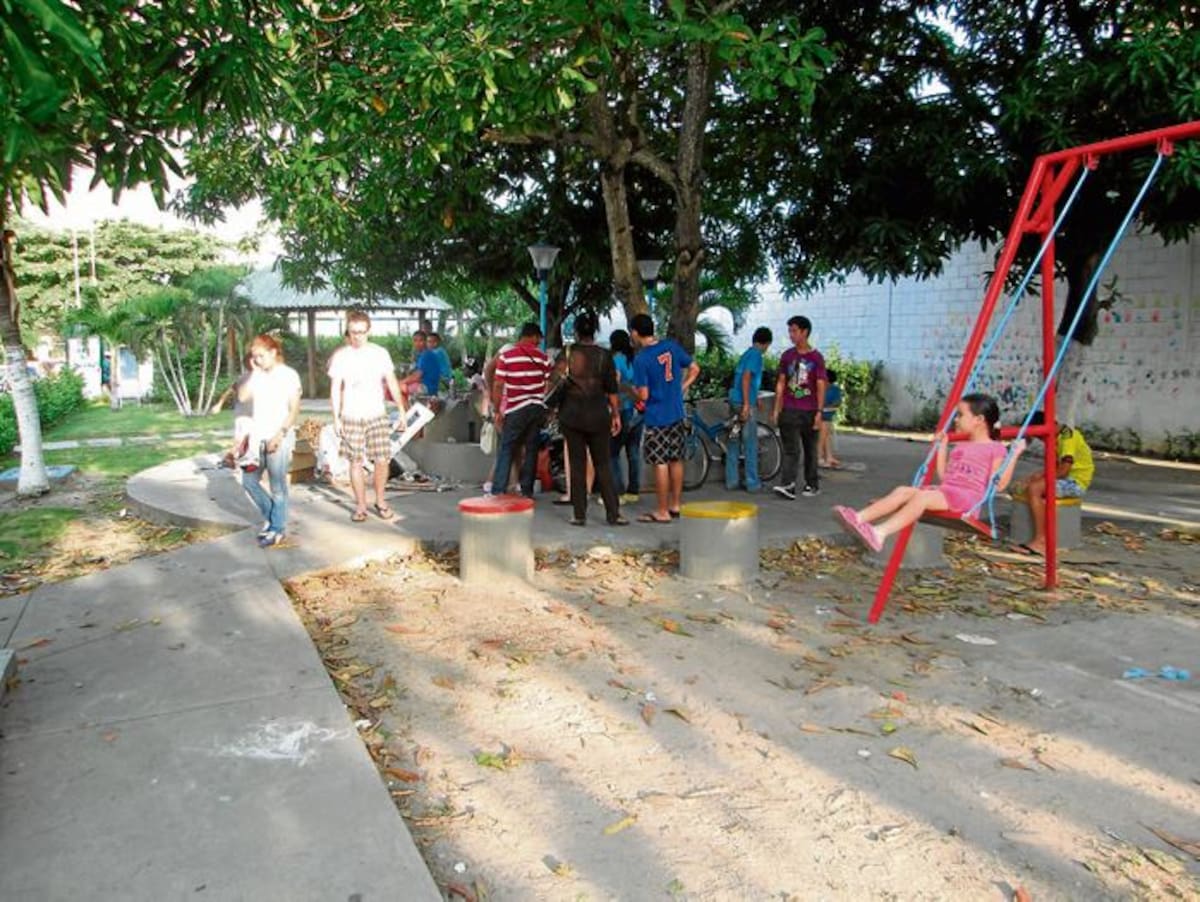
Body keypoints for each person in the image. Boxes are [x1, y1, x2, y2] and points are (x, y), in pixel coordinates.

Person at [834, 393, 1026, 552]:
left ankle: (880, 533)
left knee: (923, 497)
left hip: (967, 500)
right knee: (904, 491)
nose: (956, 420)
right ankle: (858, 518)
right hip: (948, 492)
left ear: (979, 420)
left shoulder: (996, 449)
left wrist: (1014, 455)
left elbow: (999, 485)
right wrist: (942, 447)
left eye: (960, 415)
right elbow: (945, 477)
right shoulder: (961, 446)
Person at [328, 310, 406, 523]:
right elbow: (335, 388)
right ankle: (361, 505)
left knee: (382, 459)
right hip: (351, 415)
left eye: (361, 332)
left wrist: (401, 411)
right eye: (353, 332)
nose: (357, 337)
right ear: (348, 331)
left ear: (368, 331)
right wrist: (336, 418)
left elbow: (391, 381)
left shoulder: (379, 353)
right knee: (355, 462)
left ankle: (380, 501)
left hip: (376, 414)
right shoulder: (341, 356)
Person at [555, 312, 625, 526]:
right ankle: (613, 514)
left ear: (575, 331)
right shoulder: (605, 356)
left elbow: (553, 383)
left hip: (571, 416)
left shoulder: (566, 353)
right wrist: (616, 414)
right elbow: (612, 390)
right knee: (602, 464)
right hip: (598, 416)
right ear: (594, 331)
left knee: (577, 464)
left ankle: (579, 514)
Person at [629, 313, 700, 524]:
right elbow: (695, 368)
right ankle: (675, 504)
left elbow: (643, 395)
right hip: (677, 412)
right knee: (675, 459)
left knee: (660, 462)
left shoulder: (641, 359)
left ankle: (662, 510)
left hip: (657, 416)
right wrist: (681, 388)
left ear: (635, 332)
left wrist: (630, 390)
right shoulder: (671, 347)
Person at [238, 334, 302, 547]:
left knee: (277, 485)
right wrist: (255, 373)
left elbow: (294, 410)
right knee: (248, 481)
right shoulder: (257, 376)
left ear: (274, 352)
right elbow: (242, 398)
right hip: (257, 438)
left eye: (261, 356)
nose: (257, 360)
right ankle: (275, 520)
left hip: (279, 436)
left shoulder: (288, 375)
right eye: (254, 357)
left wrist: (280, 434)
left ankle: (276, 529)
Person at [1015, 412, 1094, 556]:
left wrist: (1038, 482)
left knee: (1035, 489)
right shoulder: (1055, 438)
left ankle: (1041, 540)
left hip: (1075, 482)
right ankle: (1035, 534)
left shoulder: (1067, 437)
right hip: (1064, 479)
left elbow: (1063, 470)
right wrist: (1034, 476)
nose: (1041, 439)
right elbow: (1052, 468)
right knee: (1027, 484)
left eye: (1039, 436)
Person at [490, 322, 551, 497]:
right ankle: (527, 491)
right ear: (532, 336)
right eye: (538, 338)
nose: (539, 341)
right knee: (531, 449)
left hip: (515, 408)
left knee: (507, 448)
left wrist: (496, 410)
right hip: (536, 408)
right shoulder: (542, 357)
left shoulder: (507, 356)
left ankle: (498, 490)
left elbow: (498, 384)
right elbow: (548, 383)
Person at [771, 315, 826, 500]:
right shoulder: (787, 356)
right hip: (789, 409)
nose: (791, 334)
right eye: (790, 331)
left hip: (810, 410)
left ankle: (812, 484)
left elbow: (820, 385)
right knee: (791, 449)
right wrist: (777, 408)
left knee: (810, 449)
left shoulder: (816, 358)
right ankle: (788, 484)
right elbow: (781, 382)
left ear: (805, 332)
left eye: (794, 331)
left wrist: (819, 412)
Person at [726, 326, 772, 492]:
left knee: (733, 439)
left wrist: (755, 397)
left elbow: (744, 381)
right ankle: (752, 482)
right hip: (744, 406)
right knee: (750, 442)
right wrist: (747, 403)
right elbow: (746, 378)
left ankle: (732, 481)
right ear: (766, 343)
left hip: (734, 402)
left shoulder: (746, 354)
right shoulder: (756, 356)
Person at [609, 329, 643, 504]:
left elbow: (615, 384)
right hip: (639, 411)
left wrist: (613, 408)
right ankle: (634, 490)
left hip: (623, 409)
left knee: (612, 453)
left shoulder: (616, 360)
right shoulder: (636, 359)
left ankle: (618, 492)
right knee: (633, 451)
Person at [818, 367, 843, 469]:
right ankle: (819, 457)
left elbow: (837, 403)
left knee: (826, 432)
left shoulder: (835, 389)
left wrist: (826, 407)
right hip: (817, 415)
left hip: (826, 415)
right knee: (825, 431)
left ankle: (828, 457)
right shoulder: (817, 388)